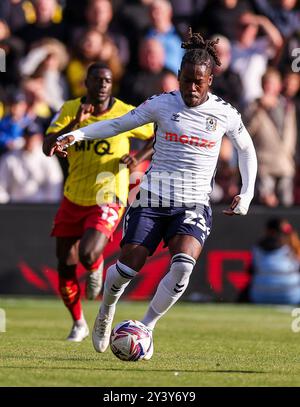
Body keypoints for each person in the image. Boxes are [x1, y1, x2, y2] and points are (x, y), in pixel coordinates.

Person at [47, 31, 257, 358]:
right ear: (178, 76)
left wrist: (246, 193)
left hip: (193, 204)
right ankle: (106, 311)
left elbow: (247, 149)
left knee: (184, 265)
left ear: (210, 80)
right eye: (186, 80)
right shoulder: (162, 104)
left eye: (198, 82)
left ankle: (146, 326)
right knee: (129, 267)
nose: (191, 88)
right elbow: (118, 125)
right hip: (152, 199)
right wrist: (76, 135)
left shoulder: (224, 112)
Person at [43, 62, 154, 342]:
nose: (103, 85)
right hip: (73, 195)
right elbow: (48, 146)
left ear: (111, 83)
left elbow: (158, 133)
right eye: (98, 80)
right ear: (87, 83)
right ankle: (78, 322)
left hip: (108, 192)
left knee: (88, 254)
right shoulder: (69, 108)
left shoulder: (125, 112)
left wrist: (138, 158)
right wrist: (74, 123)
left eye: (107, 80)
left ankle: (94, 267)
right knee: (65, 264)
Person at [0, 121, 63, 203]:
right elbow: (2, 185)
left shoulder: (48, 158)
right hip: (15, 206)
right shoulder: (10, 158)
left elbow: (54, 184)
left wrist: (49, 207)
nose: (30, 140)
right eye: (27, 137)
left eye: (33, 137)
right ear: (23, 137)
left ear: (39, 138)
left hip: (40, 207)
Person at [249, 218, 300, 305]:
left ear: (268, 231)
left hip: (260, 297)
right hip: (291, 296)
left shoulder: (257, 248)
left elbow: (251, 271)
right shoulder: (294, 247)